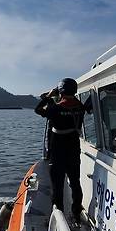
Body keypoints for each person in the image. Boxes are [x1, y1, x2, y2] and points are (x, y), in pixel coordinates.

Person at [34, 78, 87, 223]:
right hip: (74, 149)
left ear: (61, 91)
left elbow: (37, 109)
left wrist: (48, 97)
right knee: (75, 183)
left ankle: (59, 216)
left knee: (57, 185)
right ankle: (76, 214)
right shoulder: (80, 107)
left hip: (58, 151)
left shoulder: (55, 108)